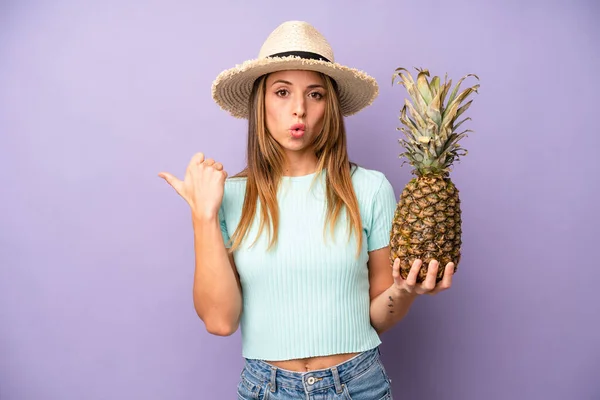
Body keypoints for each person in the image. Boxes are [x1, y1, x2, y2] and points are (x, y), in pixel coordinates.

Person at [158, 20, 454, 400]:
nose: (299, 109)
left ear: (330, 106)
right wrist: (203, 215)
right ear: (260, 102)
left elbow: (379, 317)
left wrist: (405, 290)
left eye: (315, 95)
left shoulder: (370, 189)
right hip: (266, 388)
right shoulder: (228, 196)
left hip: (358, 385)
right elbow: (220, 321)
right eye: (282, 92)